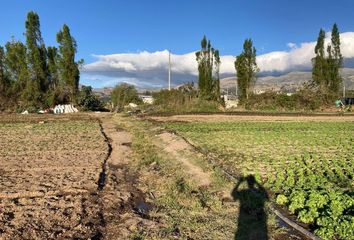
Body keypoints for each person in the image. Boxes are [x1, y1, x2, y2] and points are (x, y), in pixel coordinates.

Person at [232, 175, 269, 240]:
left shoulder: (243, 192)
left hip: (246, 216)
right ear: (253, 183)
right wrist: (257, 183)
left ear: (247, 183)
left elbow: (234, 194)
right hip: (256, 216)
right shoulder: (257, 192)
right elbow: (266, 197)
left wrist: (239, 182)